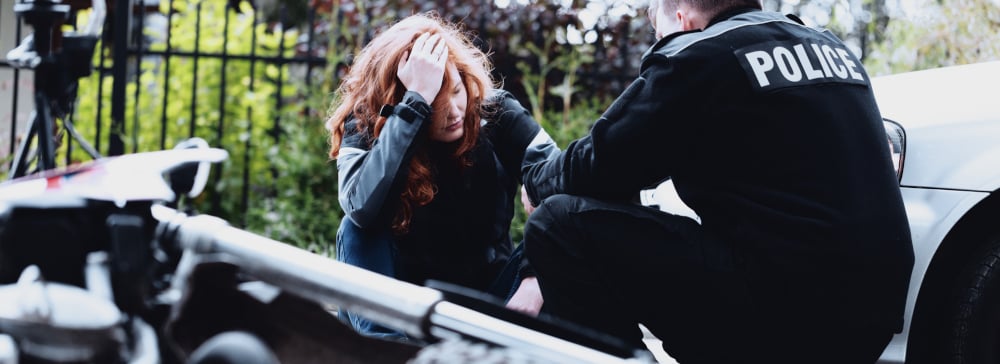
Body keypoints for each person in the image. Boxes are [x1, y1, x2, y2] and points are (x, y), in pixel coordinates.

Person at [520, 0, 915, 363]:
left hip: (785, 318)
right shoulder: (831, 48)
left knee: (556, 223)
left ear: (682, 20)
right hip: (872, 318)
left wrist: (537, 182)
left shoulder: (701, 53)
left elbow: (602, 162)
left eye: (659, 35)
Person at [327, 13, 558, 340]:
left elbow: (564, 182)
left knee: (564, 218)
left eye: (455, 89)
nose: (453, 110)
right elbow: (361, 208)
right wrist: (414, 106)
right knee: (356, 228)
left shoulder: (495, 112)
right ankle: (389, 355)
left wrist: (534, 278)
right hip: (402, 312)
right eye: (435, 99)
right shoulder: (367, 123)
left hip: (491, 302)